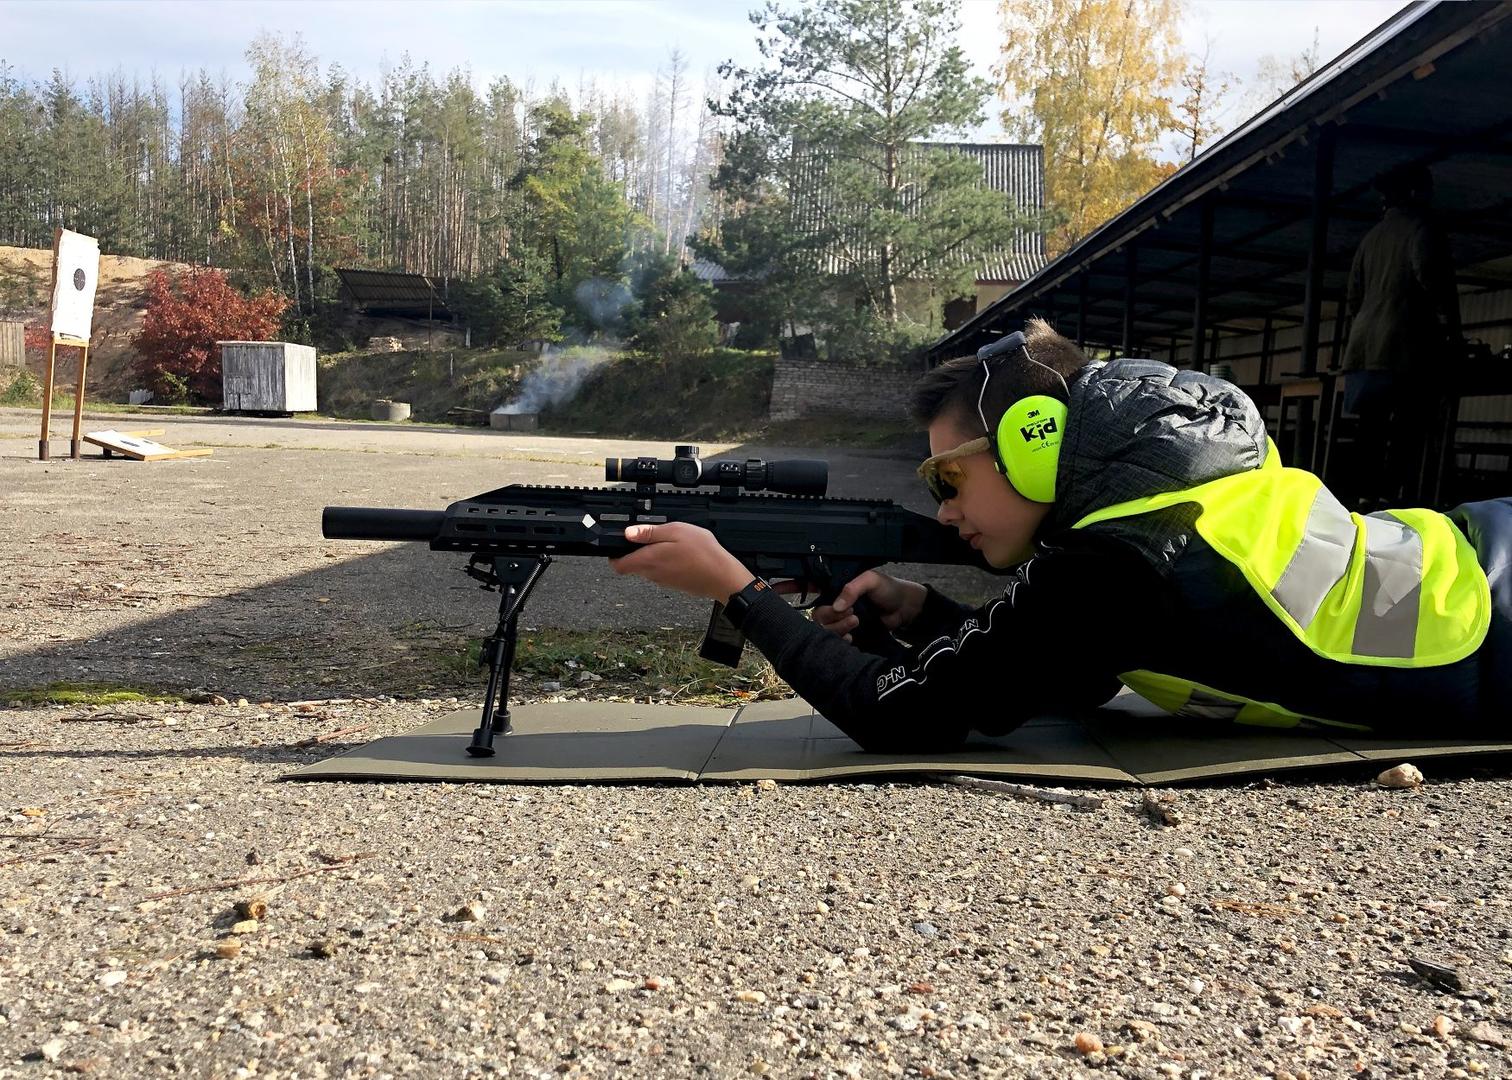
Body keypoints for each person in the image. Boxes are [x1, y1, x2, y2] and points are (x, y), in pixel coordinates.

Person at [610, 319, 1510, 752]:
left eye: (949, 476)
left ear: (1033, 444)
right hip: (1474, 559)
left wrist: (737, 591)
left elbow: (898, 714)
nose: (943, 508)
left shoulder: (1115, 564)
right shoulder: (1167, 503)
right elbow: (1062, 671)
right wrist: (916, 608)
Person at [1338, 164, 1462, 507]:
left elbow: (1353, 296)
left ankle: (1363, 497)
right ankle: (1395, 499)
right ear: (1416, 193)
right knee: (1409, 428)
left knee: (1371, 428)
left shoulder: (1370, 239)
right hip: (1404, 347)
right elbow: (1434, 282)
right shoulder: (1422, 229)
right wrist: (1453, 333)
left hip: (1365, 349)